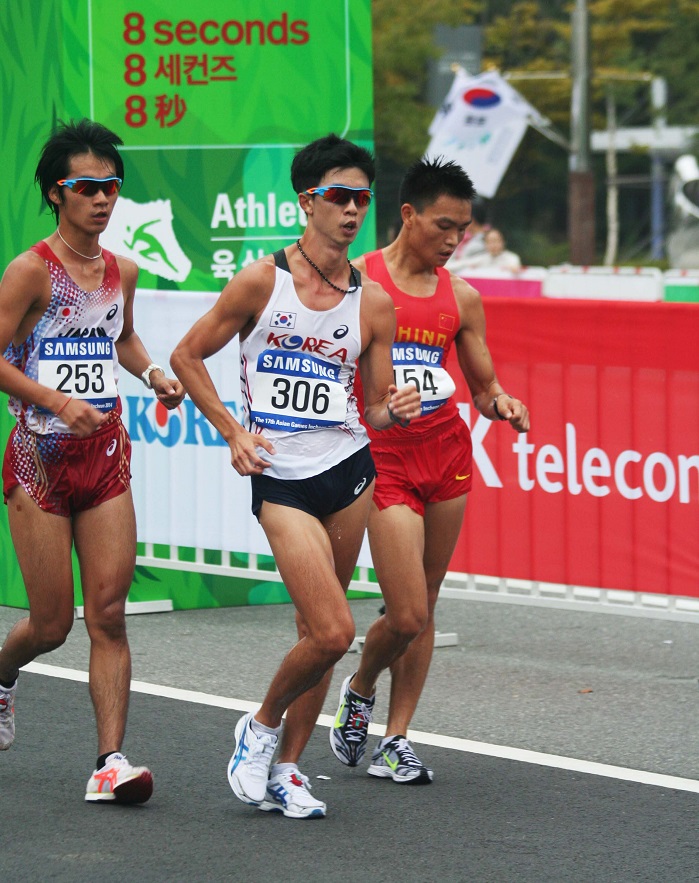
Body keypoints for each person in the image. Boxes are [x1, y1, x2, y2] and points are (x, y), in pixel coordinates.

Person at [170, 134, 421, 819]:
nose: (350, 210)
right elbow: (188, 355)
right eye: (338, 196)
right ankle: (259, 725)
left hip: (347, 470)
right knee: (335, 630)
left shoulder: (372, 302)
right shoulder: (262, 280)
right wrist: (232, 431)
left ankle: (286, 770)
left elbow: (373, 407)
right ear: (306, 200)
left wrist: (394, 410)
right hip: (280, 473)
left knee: (318, 629)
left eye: (360, 198)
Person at [0, 119, 185, 803]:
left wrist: (154, 374)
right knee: (52, 623)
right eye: (88, 188)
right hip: (39, 461)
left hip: (104, 457)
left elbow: (123, 337)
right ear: (58, 193)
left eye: (112, 186)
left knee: (107, 612)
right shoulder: (30, 271)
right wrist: (55, 398)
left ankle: (110, 761)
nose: (103, 199)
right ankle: (2, 673)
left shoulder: (121, 271)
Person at [329, 158, 530, 783]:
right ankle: (360, 687)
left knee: (429, 599)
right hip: (383, 456)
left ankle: (397, 736)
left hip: (446, 455)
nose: (453, 240)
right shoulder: (357, 281)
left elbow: (483, 385)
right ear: (408, 214)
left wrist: (503, 404)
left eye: (463, 231)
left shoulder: (462, 297)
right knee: (408, 610)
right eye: (443, 225)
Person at [445, 198, 489, 273]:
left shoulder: (484, 242)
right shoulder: (466, 238)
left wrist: (446, 268)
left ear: (472, 219)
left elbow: (466, 263)